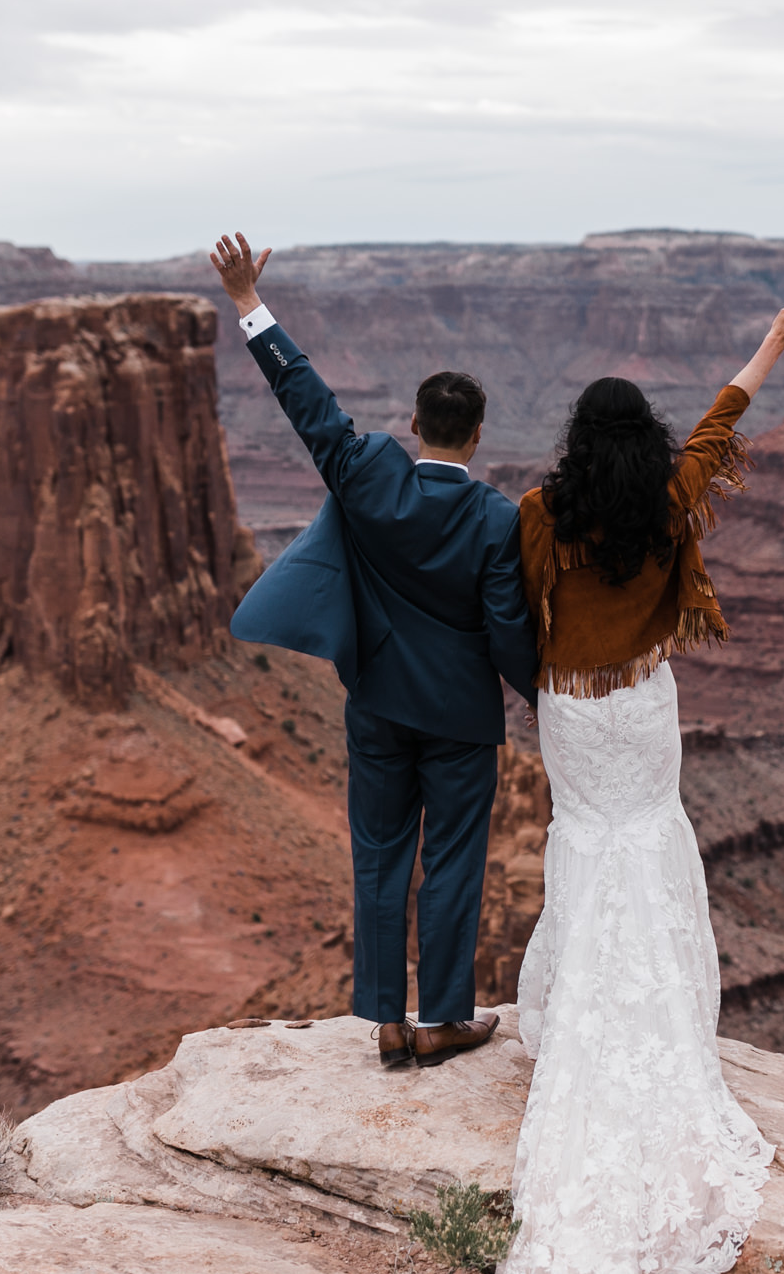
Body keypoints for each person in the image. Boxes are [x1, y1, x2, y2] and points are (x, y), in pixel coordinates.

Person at [456, 291, 784, 1274]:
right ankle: (660, 1007)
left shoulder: (539, 509)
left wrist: (535, 678)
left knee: (586, 844)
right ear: (645, 444)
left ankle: (575, 1000)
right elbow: (722, 427)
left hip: (571, 707)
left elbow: (517, 610)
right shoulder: (670, 498)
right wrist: (775, 340)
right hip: (642, 703)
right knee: (647, 841)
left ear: (579, 443)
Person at [209, 232, 539, 1069]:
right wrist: (548, 697)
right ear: (476, 437)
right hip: (463, 717)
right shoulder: (499, 521)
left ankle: (388, 1020)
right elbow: (507, 628)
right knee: (455, 862)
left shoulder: (367, 475)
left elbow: (306, 400)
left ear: (418, 425)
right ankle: (445, 1019)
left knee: (382, 853)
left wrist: (250, 304)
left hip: (379, 705)